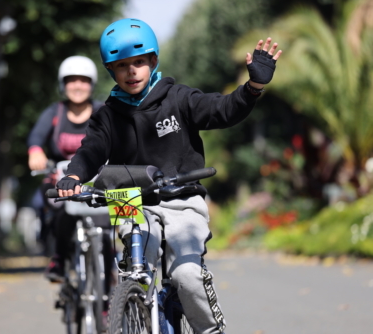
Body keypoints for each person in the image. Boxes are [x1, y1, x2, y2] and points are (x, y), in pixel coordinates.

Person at [55, 18, 282, 334]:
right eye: (121, 66)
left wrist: (252, 88)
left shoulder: (179, 98)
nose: (131, 71)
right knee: (135, 270)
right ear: (110, 71)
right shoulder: (107, 116)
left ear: (153, 61)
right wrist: (74, 176)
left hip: (182, 199)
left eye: (138, 62)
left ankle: (209, 329)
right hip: (129, 200)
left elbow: (222, 109)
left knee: (187, 276)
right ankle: (134, 310)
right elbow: (91, 151)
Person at [27, 55, 108, 282]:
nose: (78, 86)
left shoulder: (103, 112)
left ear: (91, 84)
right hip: (59, 181)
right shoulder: (55, 113)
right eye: (72, 80)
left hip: (94, 181)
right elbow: (36, 136)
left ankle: (109, 274)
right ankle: (60, 259)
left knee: (107, 223)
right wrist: (35, 150)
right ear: (63, 84)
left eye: (83, 80)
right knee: (63, 214)